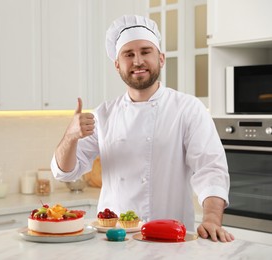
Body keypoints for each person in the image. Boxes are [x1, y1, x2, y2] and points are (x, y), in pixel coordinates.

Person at [50, 15, 234, 242]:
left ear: (161, 58)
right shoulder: (103, 114)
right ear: (117, 64)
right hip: (115, 240)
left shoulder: (188, 108)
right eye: (128, 54)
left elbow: (210, 169)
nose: (137, 61)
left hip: (171, 239)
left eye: (146, 51)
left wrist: (212, 220)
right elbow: (66, 172)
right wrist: (70, 137)